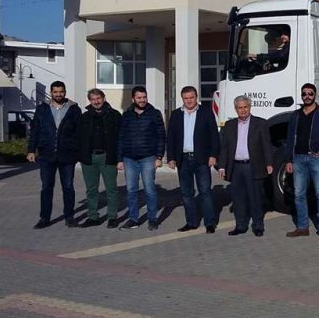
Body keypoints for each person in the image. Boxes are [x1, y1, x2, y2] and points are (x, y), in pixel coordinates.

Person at [284, 83, 319, 241]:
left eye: (310, 93)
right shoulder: (296, 115)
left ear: (315, 95)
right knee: (299, 194)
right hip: (298, 159)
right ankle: (302, 227)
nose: (307, 96)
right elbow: (290, 139)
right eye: (304, 94)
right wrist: (288, 160)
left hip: (316, 159)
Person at [27, 81, 82, 229]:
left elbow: (79, 133)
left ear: (65, 92)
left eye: (61, 92)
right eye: (55, 92)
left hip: (67, 155)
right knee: (46, 187)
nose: (58, 94)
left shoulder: (74, 109)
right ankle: (44, 218)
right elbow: (35, 130)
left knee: (68, 187)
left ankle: (69, 217)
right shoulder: (42, 109)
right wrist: (31, 150)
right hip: (46, 154)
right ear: (51, 92)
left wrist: (77, 153)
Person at [217, 95, 274, 237]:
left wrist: (269, 163)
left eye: (245, 107)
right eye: (240, 108)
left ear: (250, 107)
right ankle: (240, 225)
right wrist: (222, 166)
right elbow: (224, 148)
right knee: (238, 198)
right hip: (236, 167)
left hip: (253, 166)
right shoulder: (229, 125)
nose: (243, 110)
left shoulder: (260, 123)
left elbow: (266, 145)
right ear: (236, 109)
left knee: (255, 198)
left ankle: (258, 226)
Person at [167, 86, 220, 234]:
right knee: (186, 194)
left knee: (205, 192)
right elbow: (170, 138)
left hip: (201, 158)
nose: (189, 100)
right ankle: (191, 222)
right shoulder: (176, 114)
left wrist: (213, 155)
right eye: (186, 98)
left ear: (196, 97)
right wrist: (171, 158)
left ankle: (210, 223)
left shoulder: (206, 112)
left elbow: (214, 136)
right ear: (182, 99)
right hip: (183, 159)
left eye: (191, 97)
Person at [117, 86, 166, 231]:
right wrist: (119, 159)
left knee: (149, 189)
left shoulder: (154, 114)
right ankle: (134, 220)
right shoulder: (127, 115)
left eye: (144, 97)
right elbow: (121, 137)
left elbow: (161, 136)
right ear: (133, 99)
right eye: (139, 98)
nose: (142, 100)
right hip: (129, 159)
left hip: (148, 157)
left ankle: (152, 219)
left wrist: (159, 157)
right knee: (131, 190)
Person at [76, 88, 122, 229]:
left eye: (98, 98)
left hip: (108, 157)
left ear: (103, 98)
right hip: (89, 158)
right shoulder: (84, 117)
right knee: (91, 190)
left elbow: (120, 138)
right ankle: (93, 217)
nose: (96, 102)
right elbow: (78, 137)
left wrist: (120, 158)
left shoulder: (115, 115)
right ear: (90, 101)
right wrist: (80, 155)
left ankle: (112, 217)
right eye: (93, 99)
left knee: (111, 189)